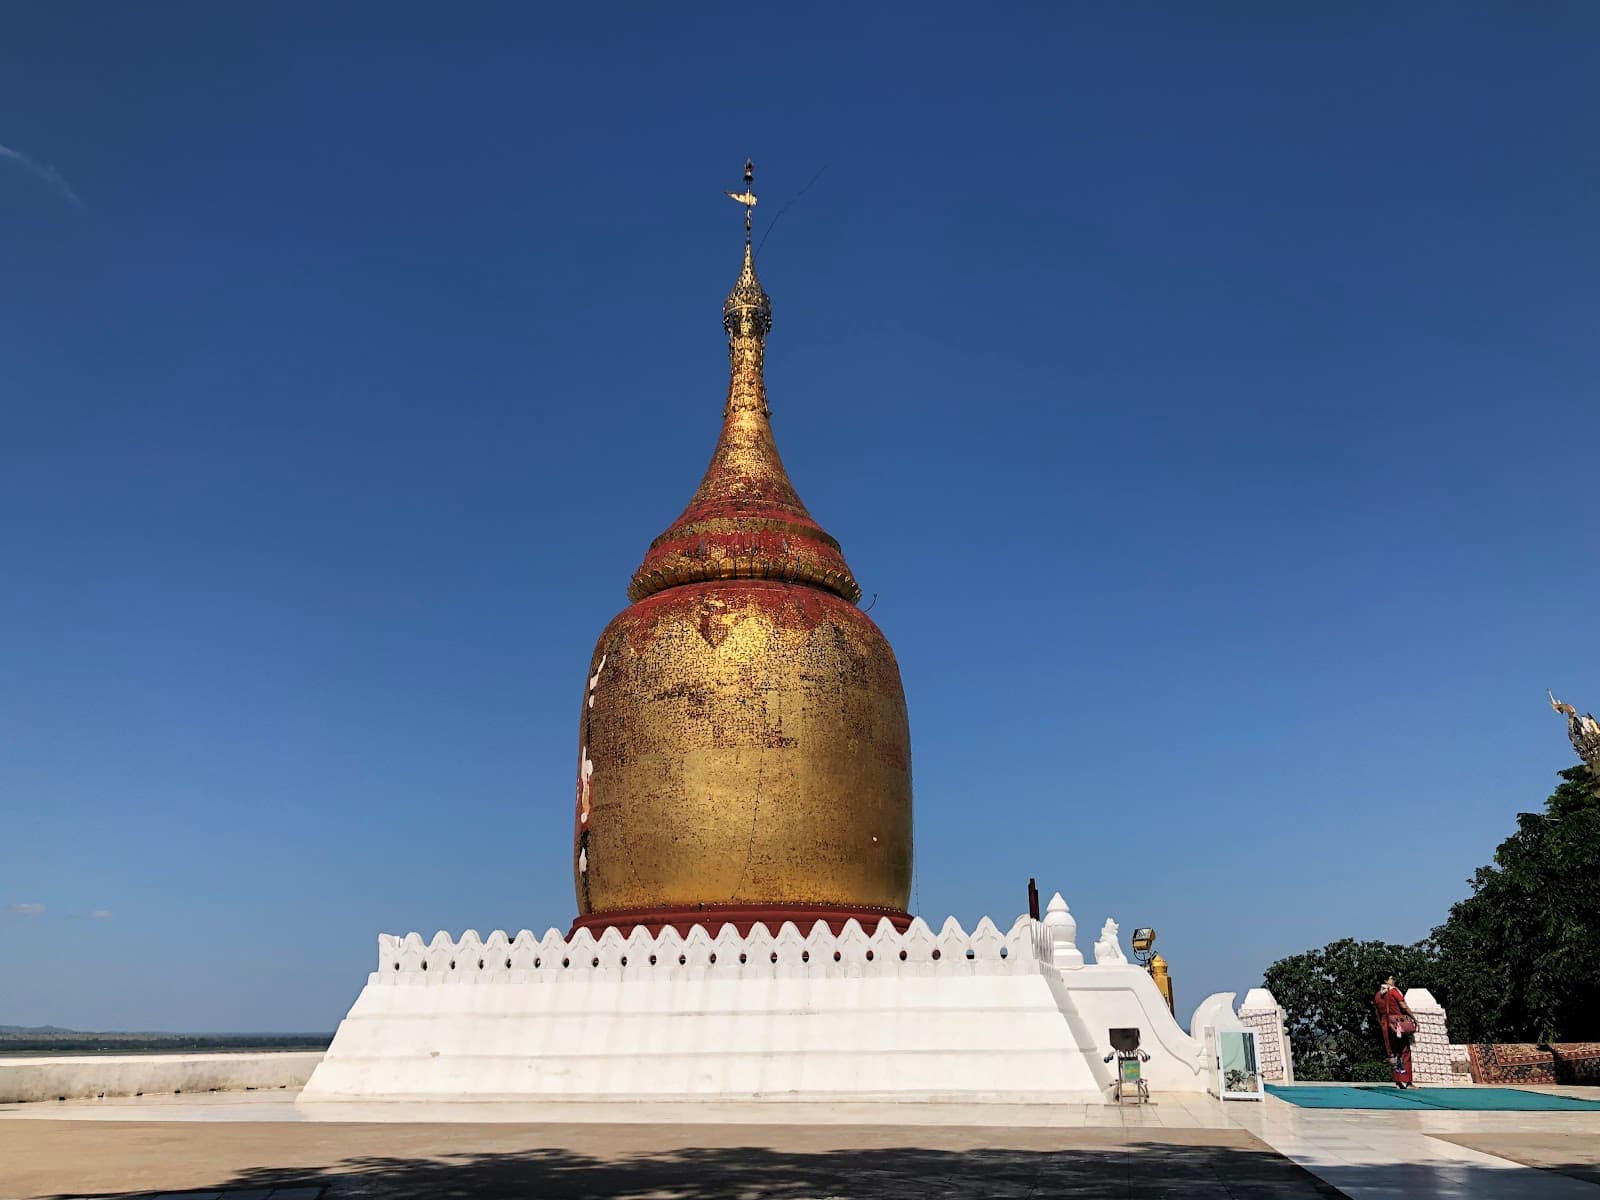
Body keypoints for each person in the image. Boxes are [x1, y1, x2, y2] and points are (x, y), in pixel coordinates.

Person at [1375, 976, 1417, 1087]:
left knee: (1393, 1054)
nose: (1393, 980)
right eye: (1390, 978)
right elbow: (1404, 1006)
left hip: (1386, 1025)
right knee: (1405, 1051)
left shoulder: (1378, 995)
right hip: (1397, 1024)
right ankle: (1407, 1081)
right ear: (1385, 981)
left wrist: (1383, 1024)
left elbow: (1377, 1013)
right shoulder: (1393, 992)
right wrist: (1413, 1018)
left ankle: (1398, 1081)